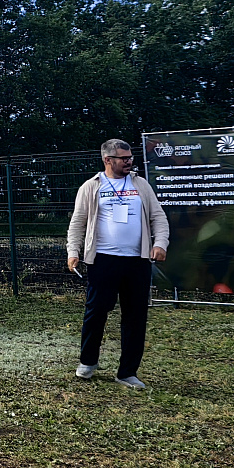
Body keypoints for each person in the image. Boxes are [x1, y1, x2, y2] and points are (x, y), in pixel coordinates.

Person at [66, 139, 169, 391]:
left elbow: (158, 217)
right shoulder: (92, 186)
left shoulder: (140, 185)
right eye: (123, 158)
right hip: (103, 259)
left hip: (137, 260)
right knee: (96, 311)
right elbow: (78, 222)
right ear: (108, 160)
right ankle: (88, 361)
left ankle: (127, 372)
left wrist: (160, 244)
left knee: (135, 316)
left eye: (130, 157)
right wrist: (73, 252)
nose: (129, 162)